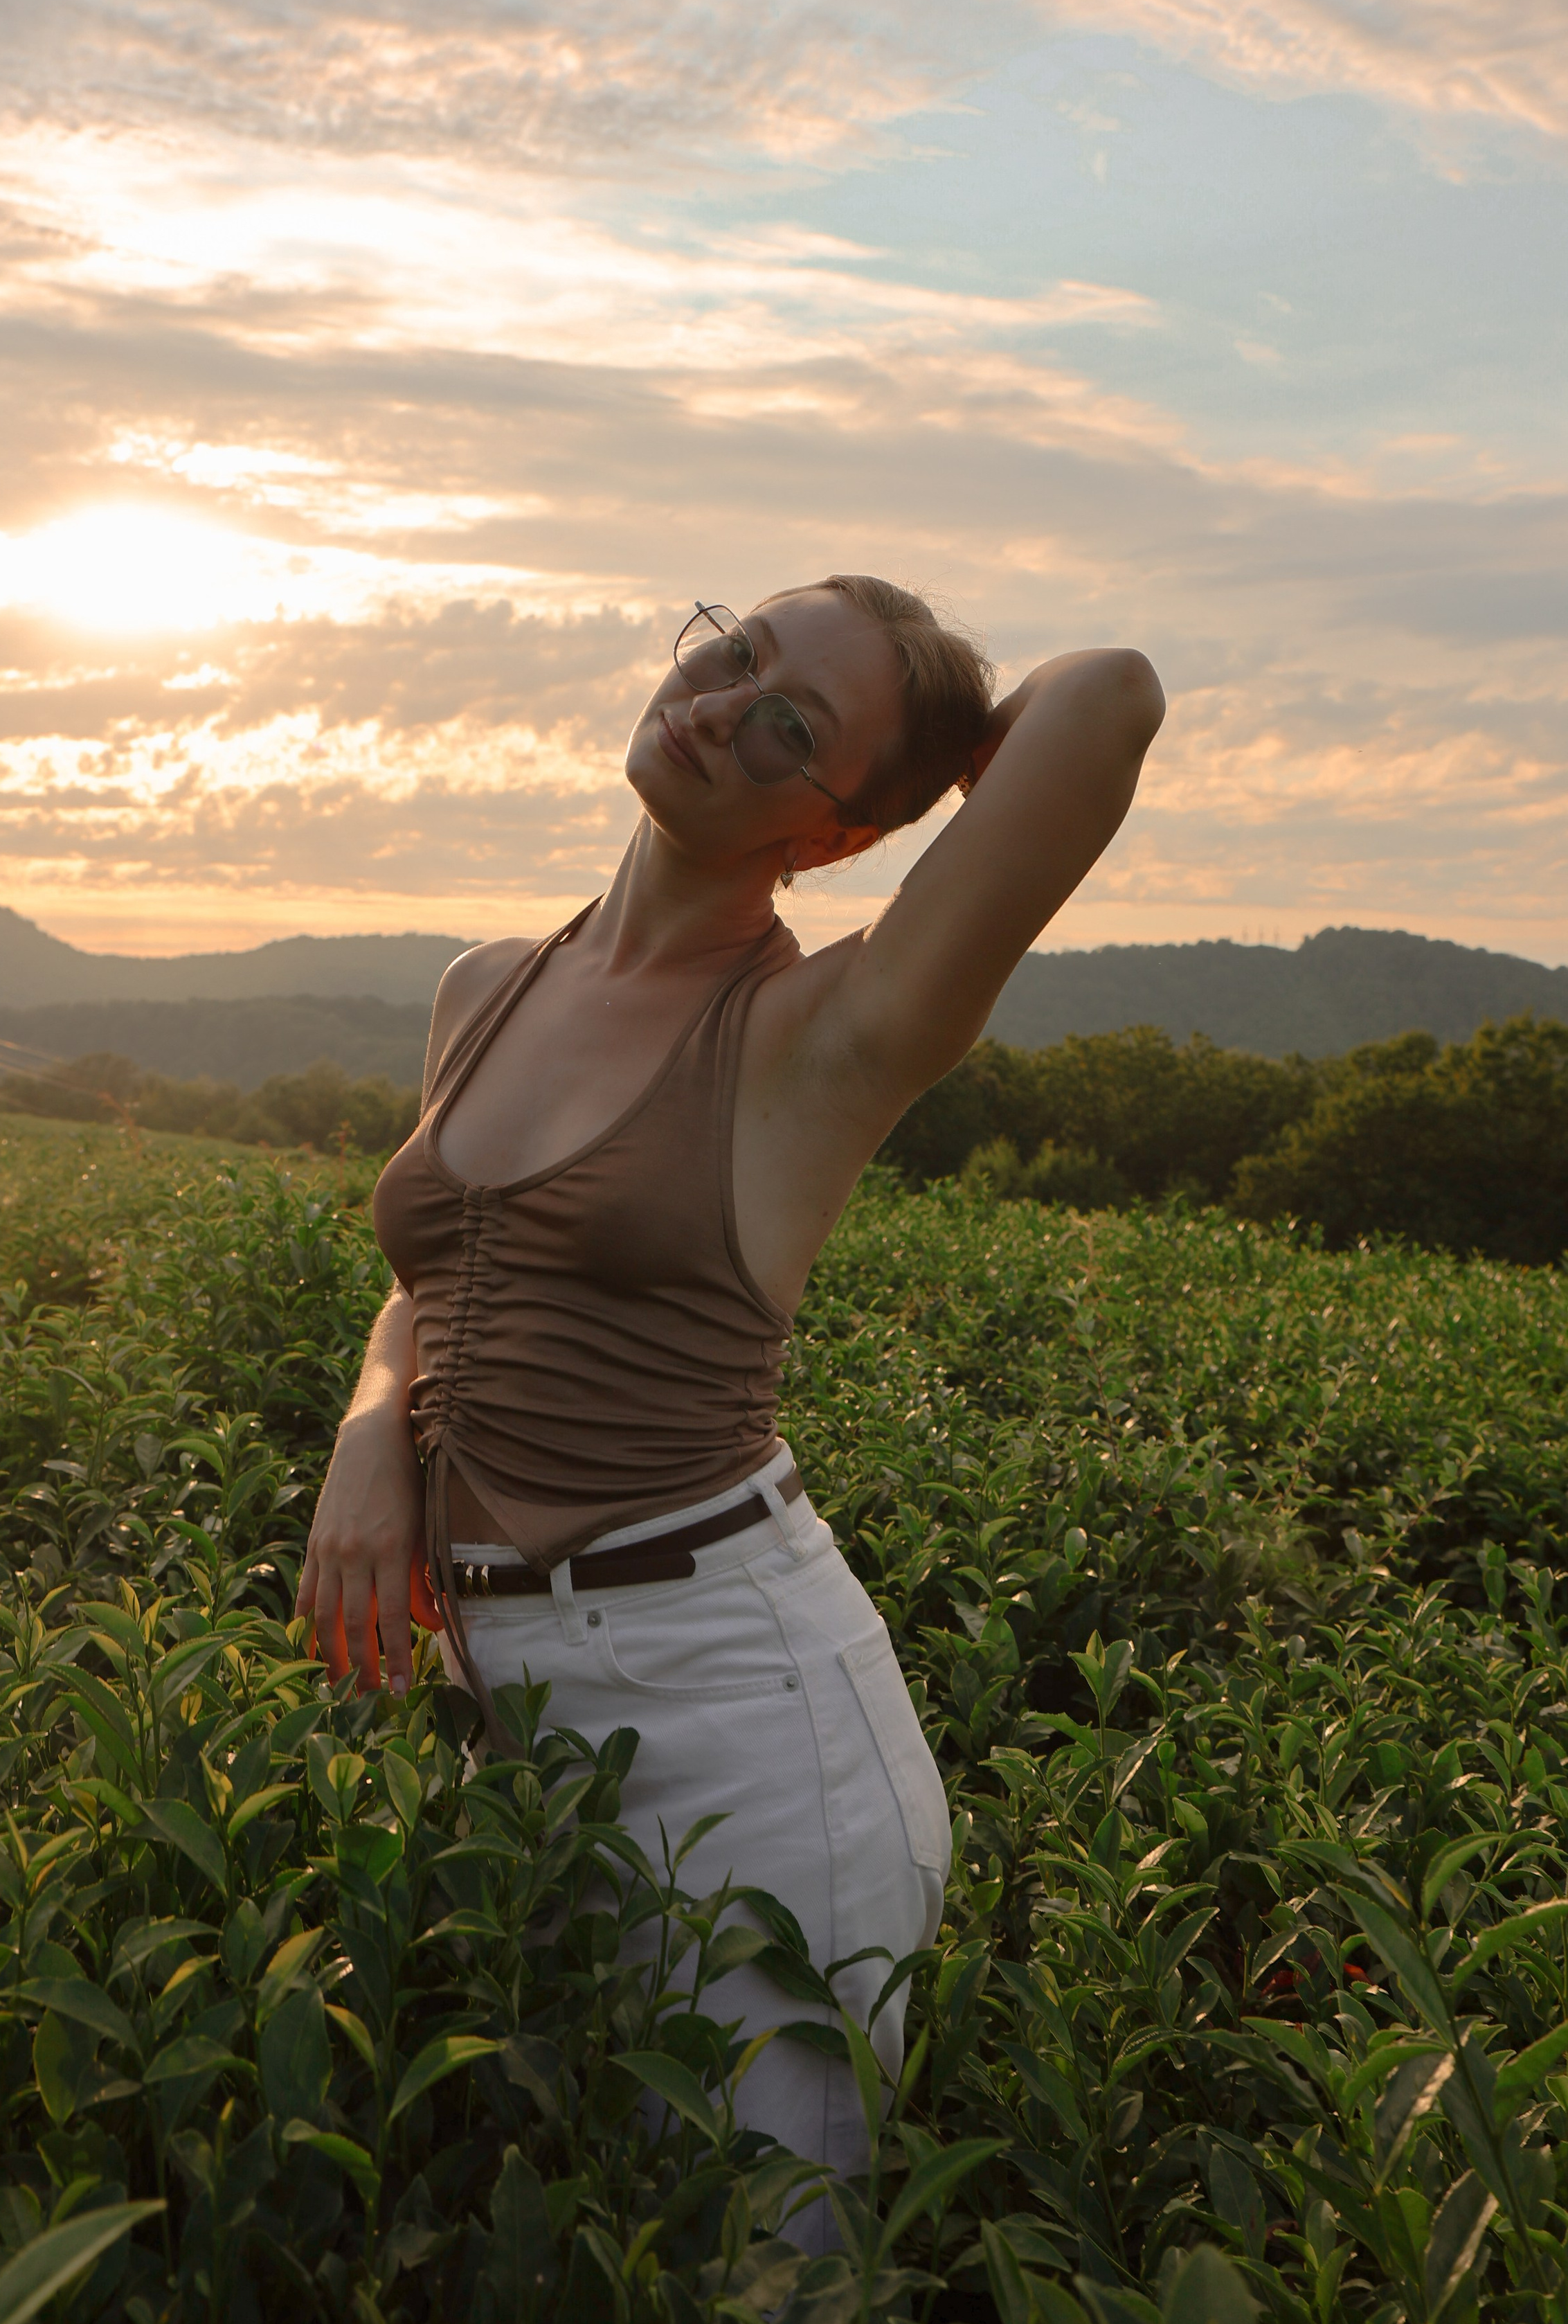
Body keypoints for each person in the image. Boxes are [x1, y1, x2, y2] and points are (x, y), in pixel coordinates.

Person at [298, 574, 1164, 2196]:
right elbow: (442, 1275)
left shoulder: (826, 1031)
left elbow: (1106, 690)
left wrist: (927, 748)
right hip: (498, 1706)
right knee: (562, 2236)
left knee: (762, 2274)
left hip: (738, 1719)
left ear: (836, 838)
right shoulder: (485, 986)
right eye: (727, 651)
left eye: (783, 723)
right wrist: (368, 1438)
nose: (711, 704)